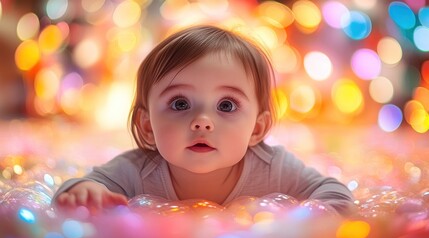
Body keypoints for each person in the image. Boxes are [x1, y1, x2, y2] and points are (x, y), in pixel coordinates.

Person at [53, 25, 354, 215]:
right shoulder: (136, 170)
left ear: (257, 128)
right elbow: (79, 187)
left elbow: (336, 194)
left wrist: (305, 223)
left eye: (226, 105)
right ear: (147, 125)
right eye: (180, 103)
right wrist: (84, 192)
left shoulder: (274, 168)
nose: (202, 122)